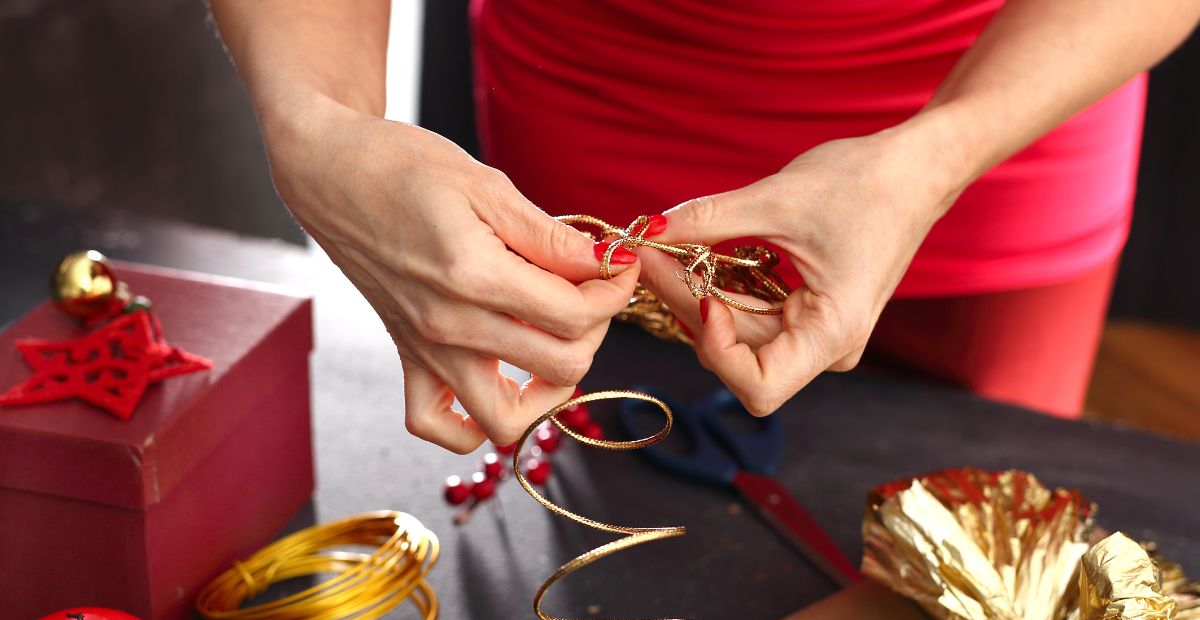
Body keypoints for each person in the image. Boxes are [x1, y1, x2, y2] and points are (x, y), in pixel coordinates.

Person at [210, 0, 1200, 453]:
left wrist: (936, 158)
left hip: (996, 125)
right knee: (622, 570)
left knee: (969, 582)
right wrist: (317, 126)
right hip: (592, 122)